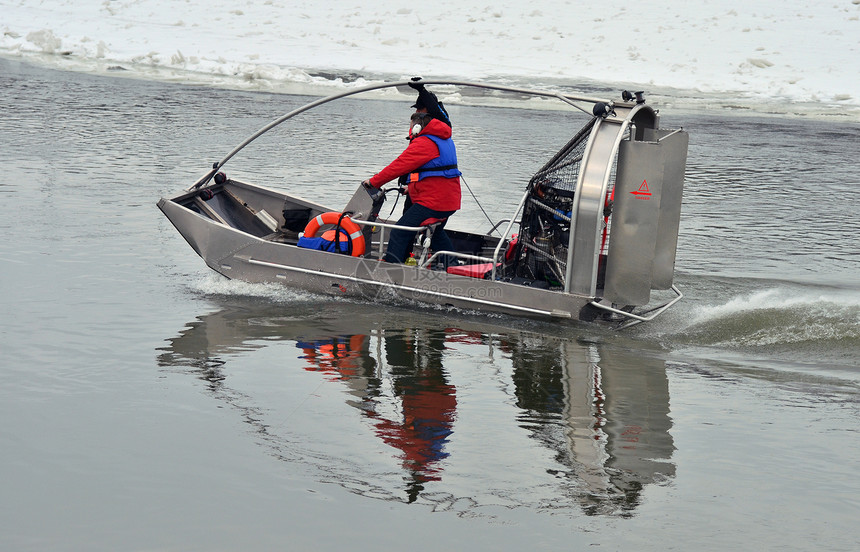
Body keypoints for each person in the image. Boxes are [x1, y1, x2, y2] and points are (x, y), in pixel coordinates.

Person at [362, 84, 461, 265]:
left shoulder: (425, 142)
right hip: (448, 200)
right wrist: (411, 187)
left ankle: (391, 269)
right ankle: (453, 267)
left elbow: (399, 166)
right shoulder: (443, 137)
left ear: (419, 123)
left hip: (433, 202)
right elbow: (433, 173)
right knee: (436, 233)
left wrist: (373, 182)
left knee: (400, 231)